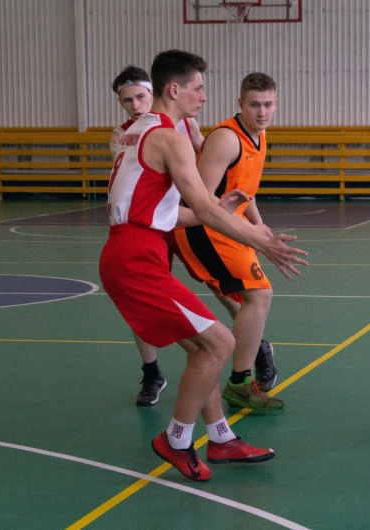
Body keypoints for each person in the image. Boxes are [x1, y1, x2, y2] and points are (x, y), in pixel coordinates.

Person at [99, 49, 308, 481]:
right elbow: (206, 210)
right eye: (198, 88)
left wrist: (217, 209)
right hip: (136, 256)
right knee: (221, 343)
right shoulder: (169, 136)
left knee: (202, 350)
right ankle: (176, 439)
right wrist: (263, 240)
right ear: (175, 90)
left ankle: (221, 437)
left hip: (133, 249)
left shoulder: (135, 130)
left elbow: (166, 211)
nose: (204, 96)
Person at [168, 72, 282, 410]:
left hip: (230, 225)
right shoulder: (227, 139)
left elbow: (245, 192)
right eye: (254, 105)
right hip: (202, 227)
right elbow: (200, 200)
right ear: (240, 103)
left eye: (268, 105)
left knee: (243, 297)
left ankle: (251, 348)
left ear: (276, 104)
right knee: (260, 294)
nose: (262, 112)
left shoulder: (260, 135)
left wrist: (260, 227)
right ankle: (240, 382)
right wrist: (249, 232)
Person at [109, 65, 204, 407]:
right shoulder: (123, 135)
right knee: (144, 302)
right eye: (127, 101)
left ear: (156, 93)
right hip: (154, 224)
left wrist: (214, 204)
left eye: (140, 97)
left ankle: (254, 345)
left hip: (188, 214)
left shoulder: (185, 124)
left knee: (222, 283)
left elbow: (205, 160)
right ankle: (152, 372)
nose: (135, 105)